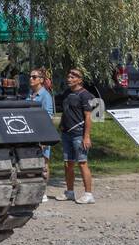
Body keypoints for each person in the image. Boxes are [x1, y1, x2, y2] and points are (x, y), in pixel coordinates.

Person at [59, 67, 95, 204]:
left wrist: (86, 136)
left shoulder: (85, 95)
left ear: (80, 80)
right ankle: (69, 192)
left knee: (82, 163)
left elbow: (88, 117)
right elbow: (66, 112)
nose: (69, 79)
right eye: (68, 77)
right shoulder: (67, 93)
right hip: (66, 133)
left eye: (73, 77)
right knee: (68, 163)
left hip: (79, 134)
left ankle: (88, 194)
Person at [28, 67, 54, 189]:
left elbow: (48, 117)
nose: (31, 79)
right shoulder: (30, 95)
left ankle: (43, 191)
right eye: (30, 76)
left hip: (41, 134)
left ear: (41, 80)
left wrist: (45, 138)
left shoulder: (45, 96)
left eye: (34, 77)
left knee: (44, 164)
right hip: (30, 134)